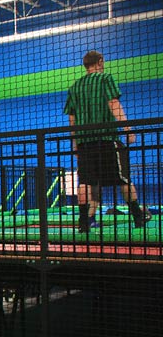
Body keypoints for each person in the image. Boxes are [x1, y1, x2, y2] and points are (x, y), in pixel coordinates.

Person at [64, 50, 150, 233]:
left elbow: (72, 118)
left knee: (85, 182)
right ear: (100, 61)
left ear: (85, 65)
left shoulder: (75, 86)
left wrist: (75, 142)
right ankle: (138, 217)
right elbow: (113, 103)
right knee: (124, 179)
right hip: (107, 139)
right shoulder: (105, 79)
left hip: (84, 142)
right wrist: (128, 129)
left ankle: (83, 223)